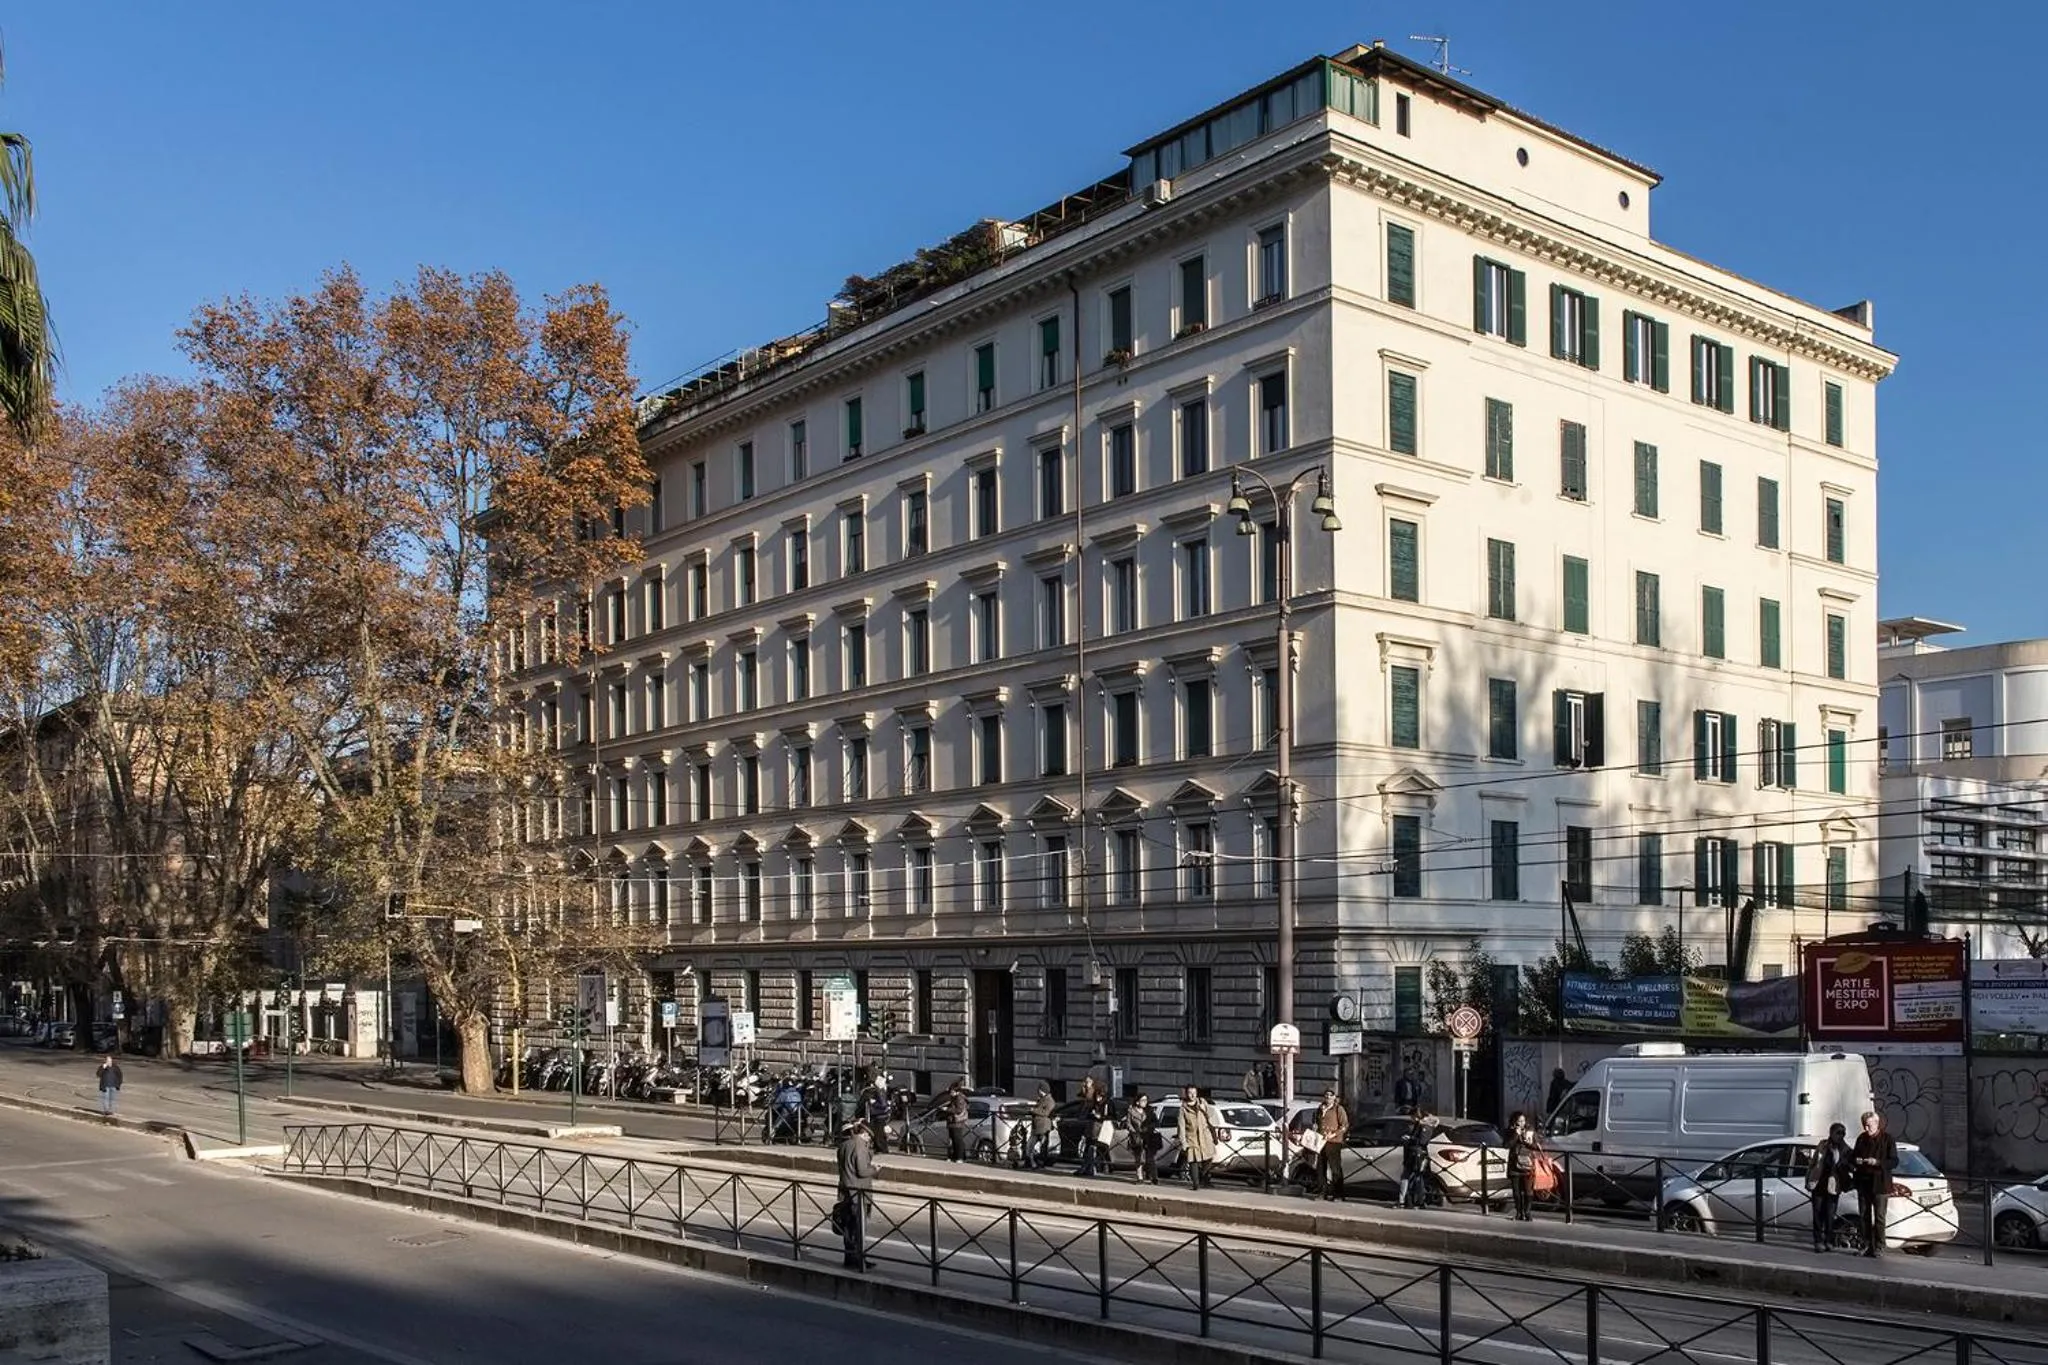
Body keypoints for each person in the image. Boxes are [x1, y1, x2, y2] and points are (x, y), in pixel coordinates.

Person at [1850, 1110, 1898, 1257]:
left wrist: (1877, 1162)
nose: (1866, 1128)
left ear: (1877, 1124)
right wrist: (1856, 1160)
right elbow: (1853, 1157)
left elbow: (1894, 1161)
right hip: (1863, 1182)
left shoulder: (1887, 1139)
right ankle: (1865, 1244)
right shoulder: (1861, 1138)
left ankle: (1879, 1246)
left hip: (1880, 1183)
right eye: (1864, 1125)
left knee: (1879, 1216)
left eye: (1869, 1125)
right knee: (1864, 1215)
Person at [1807, 1121, 1854, 1253]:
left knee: (1829, 1215)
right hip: (1818, 1184)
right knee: (1817, 1214)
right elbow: (1814, 1162)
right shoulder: (1823, 1144)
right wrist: (1808, 1179)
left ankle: (1828, 1240)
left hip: (1833, 1185)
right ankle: (1818, 1241)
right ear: (1831, 1133)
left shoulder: (1845, 1149)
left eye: (1842, 1133)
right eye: (1837, 1133)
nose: (1840, 1136)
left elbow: (1850, 1166)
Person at [835, 1120, 876, 1270]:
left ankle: (849, 1257)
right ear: (864, 1134)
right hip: (858, 1191)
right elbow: (862, 1171)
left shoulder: (843, 1145)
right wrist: (875, 1169)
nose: (869, 1140)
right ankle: (860, 1260)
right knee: (859, 1228)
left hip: (845, 1191)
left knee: (848, 1227)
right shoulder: (859, 1146)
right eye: (869, 1137)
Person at [1177, 1085, 1218, 1190]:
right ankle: (1196, 1184)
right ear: (1186, 1093)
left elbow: (1212, 1114)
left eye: (1194, 1093)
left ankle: (1202, 1176)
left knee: (1209, 1158)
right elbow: (1181, 1126)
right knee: (1193, 1160)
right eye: (1190, 1093)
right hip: (1192, 1137)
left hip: (1205, 1136)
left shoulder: (1202, 1102)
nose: (1192, 1095)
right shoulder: (1183, 1108)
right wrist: (1183, 1142)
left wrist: (1205, 1109)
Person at [1314, 1088, 1350, 1202]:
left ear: (1334, 1097)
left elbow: (1344, 1126)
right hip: (1321, 1141)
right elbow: (1316, 1121)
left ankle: (1338, 1194)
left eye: (1330, 1095)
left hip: (1334, 1142)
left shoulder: (1338, 1109)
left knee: (1335, 1168)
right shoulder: (1320, 1108)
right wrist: (1315, 1127)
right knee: (1320, 1167)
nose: (1328, 1097)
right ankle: (1322, 1192)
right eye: (1326, 1095)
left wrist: (1333, 1134)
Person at [1506, 1111, 1540, 1221]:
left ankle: (1527, 1212)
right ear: (1514, 1121)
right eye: (1519, 1121)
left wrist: (1527, 1142)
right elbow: (1506, 1145)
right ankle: (1519, 1212)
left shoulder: (1530, 1131)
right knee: (1516, 1191)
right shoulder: (1510, 1131)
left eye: (1523, 1121)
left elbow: (1536, 1146)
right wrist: (1516, 1134)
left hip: (1527, 1164)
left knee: (1528, 1190)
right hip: (1514, 1164)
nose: (1522, 1123)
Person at [1397, 1110, 1433, 1209]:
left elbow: (1422, 1141)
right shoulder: (1420, 1125)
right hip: (1414, 1154)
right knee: (1413, 1177)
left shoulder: (1425, 1126)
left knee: (1413, 1178)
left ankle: (1410, 1201)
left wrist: (1410, 1138)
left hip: (1417, 1155)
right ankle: (1410, 1201)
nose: (1411, 1119)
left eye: (1412, 1117)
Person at [1126, 1094, 1156, 1183]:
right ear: (1137, 1101)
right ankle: (1139, 1177)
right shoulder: (1131, 1111)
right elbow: (1128, 1123)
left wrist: (1149, 1128)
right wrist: (1133, 1131)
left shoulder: (1149, 1110)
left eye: (1146, 1100)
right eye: (1143, 1100)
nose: (1145, 1102)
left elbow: (1154, 1121)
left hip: (1147, 1136)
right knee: (1138, 1157)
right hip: (1136, 1136)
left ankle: (1151, 1176)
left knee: (1149, 1156)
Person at [861, 1075, 893, 1155]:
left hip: (879, 1114)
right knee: (878, 1132)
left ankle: (881, 1148)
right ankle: (879, 1148)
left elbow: (883, 1104)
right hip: (881, 1114)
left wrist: (873, 1103)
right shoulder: (882, 1091)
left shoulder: (880, 1092)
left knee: (878, 1133)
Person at [942, 1079, 971, 1163]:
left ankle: (960, 1157)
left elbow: (958, 1110)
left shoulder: (959, 1098)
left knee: (957, 1140)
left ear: (956, 1091)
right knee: (953, 1140)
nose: (950, 1093)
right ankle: (955, 1156)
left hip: (957, 1122)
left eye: (951, 1091)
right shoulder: (954, 1098)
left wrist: (947, 1109)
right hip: (953, 1121)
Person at [1030, 1082, 1057, 1170]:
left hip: (1044, 1127)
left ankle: (1040, 1162)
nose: (1038, 1092)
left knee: (1043, 1145)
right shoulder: (1041, 1099)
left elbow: (1046, 1112)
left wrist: (1034, 1110)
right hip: (1036, 1126)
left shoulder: (1049, 1100)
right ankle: (1031, 1161)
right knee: (1031, 1145)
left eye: (1040, 1090)